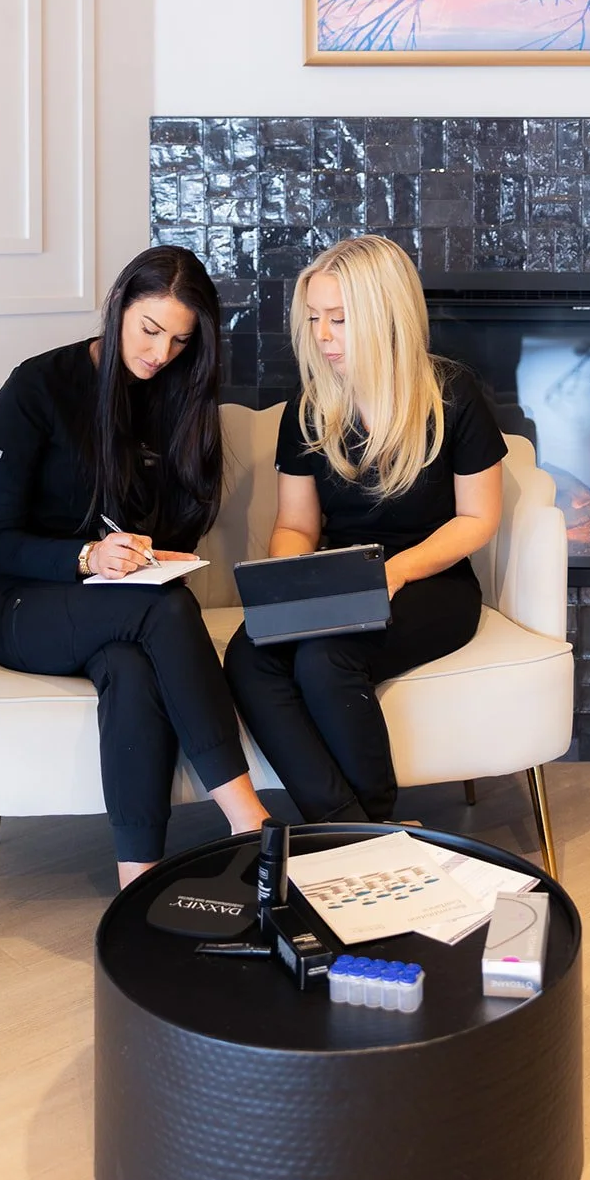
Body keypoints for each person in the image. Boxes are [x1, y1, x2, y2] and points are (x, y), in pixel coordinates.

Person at [0, 245, 268, 887]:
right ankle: (248, 818)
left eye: (180, 341)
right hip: (27, 604)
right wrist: (86, 556)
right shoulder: (38, 387)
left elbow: (177, 518)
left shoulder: (176, 394)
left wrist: (153, 549)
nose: (160, 353)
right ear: (117, 307)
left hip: (119, 611)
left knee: (132, 670)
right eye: (149, 330)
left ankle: (136, 883)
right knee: (162, 607)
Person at [224, 235, 506, 826]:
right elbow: (296, 524)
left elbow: (478, 519)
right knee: (248, 657)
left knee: (326, 657)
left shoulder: (453, 396)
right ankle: (353, 830)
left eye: (339, 320)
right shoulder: (308, 407)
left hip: (431, 579)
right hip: (340, 577)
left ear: (384, 317)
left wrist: (395, 572)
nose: (321, 335)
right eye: (313, 319)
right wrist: (289, 577)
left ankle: (366, 822)